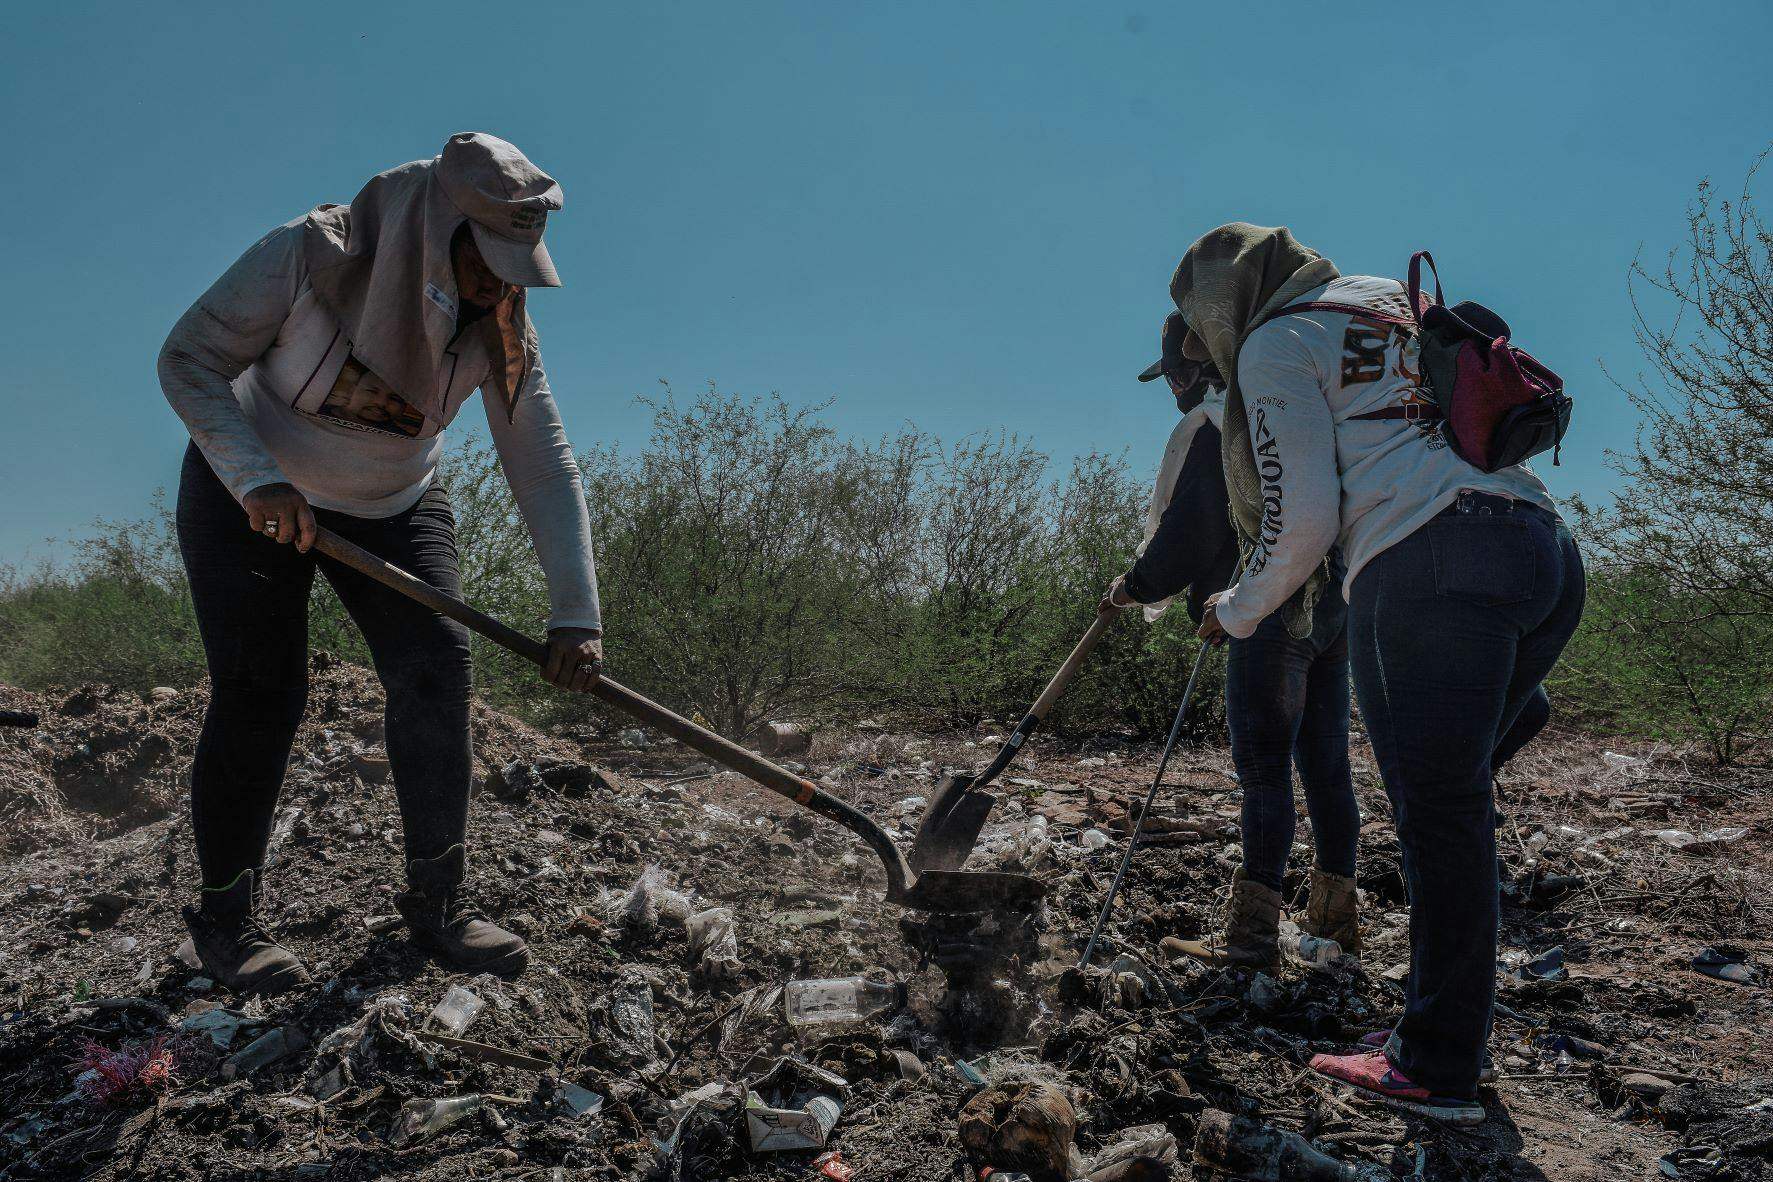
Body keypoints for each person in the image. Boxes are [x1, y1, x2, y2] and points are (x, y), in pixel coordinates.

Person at [158, 133, 605, 994]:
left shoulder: (502, 328)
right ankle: (225, 921)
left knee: (437, 669)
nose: (502, 282)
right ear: (437, 229)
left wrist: (575, 613)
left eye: (519, 263)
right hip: (246, 492)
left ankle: (437, 904)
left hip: (394, 508)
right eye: (489, 259)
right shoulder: (309, 254)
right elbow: (188, 359)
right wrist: (258, 479)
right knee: (262, 691)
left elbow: (542, 462)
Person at [1172, 224, 1585, 1125]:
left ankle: (1434, 1066)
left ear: (1223, 299)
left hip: (1429, 564)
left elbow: (1302, 517)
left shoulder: (1276, 345)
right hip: (1542, 549)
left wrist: (1237, 608)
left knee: (1440, 813)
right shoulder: (1380, 297)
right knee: (1454, 789)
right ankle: (1444, 1034)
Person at [1101, 312, 1360, 973]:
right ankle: (1333, 926)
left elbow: (1192, 533)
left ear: (1194, 371)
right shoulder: (1293, 411)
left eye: (1174, 375)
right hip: (1332, 606)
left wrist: (1134, 585)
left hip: (1270, 609)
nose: (1172, 390)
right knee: (1326, 770)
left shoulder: (1220, 425)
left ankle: (1248, 944)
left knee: (1266, 771)